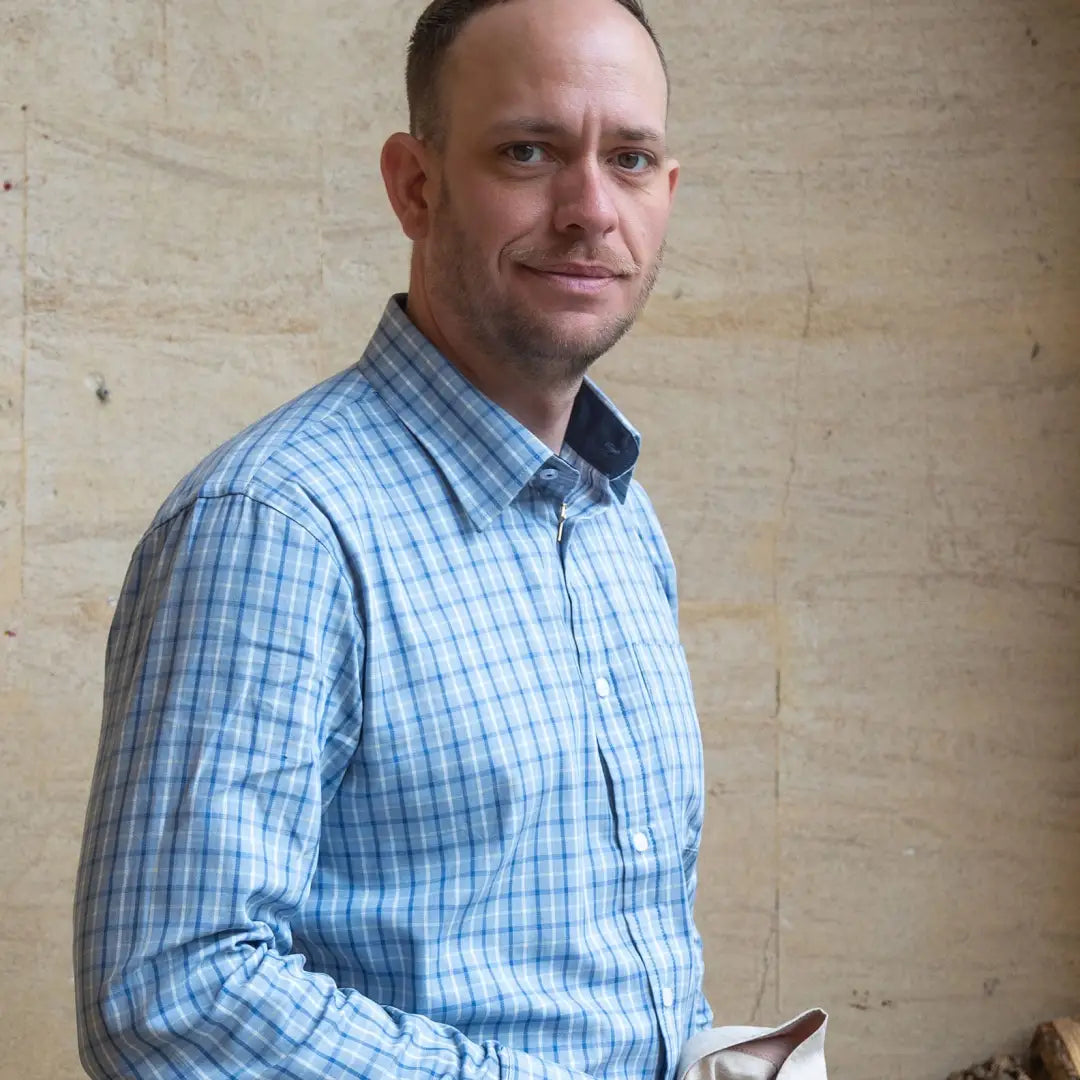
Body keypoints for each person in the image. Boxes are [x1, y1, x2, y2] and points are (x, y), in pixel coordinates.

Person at [73, 0, 712, 1078]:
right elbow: (170, 995)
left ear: (668, 193)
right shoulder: (277, 528)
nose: (590, 208)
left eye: (632, 159)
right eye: (528, 150)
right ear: (417, 187)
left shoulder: (616, 514)